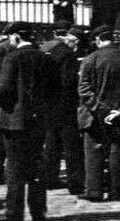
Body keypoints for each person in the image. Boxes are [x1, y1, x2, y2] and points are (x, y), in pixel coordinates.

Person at [0, 21, 59, 221]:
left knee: (14, 166)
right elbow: (56, 91)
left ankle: (13, 212)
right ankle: (38, 211)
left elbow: (2, 90)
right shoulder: (46, 58)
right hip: (38, 121)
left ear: (16, 37)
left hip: (14, 121)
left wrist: (6, 106)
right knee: (37, 164)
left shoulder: (12, 58)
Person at [76, 24, 120, 202]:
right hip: (119, 114)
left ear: (98, 39)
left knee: (93, 151)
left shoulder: (91, 59)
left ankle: (94, 190)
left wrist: (101, 109)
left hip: (94, 114)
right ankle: (117, 190)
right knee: (116, 151)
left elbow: (84, 90)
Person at [39, 22, 84, 194]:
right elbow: (68, 81)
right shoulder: (68, 56)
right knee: (72, 146)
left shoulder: (51, 51)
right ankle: (75, 183)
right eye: (75, 41)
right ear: (70, 39)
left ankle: (50, 179)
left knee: (52, 144)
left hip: (49, 105)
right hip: (65, 106)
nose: (76, 45)